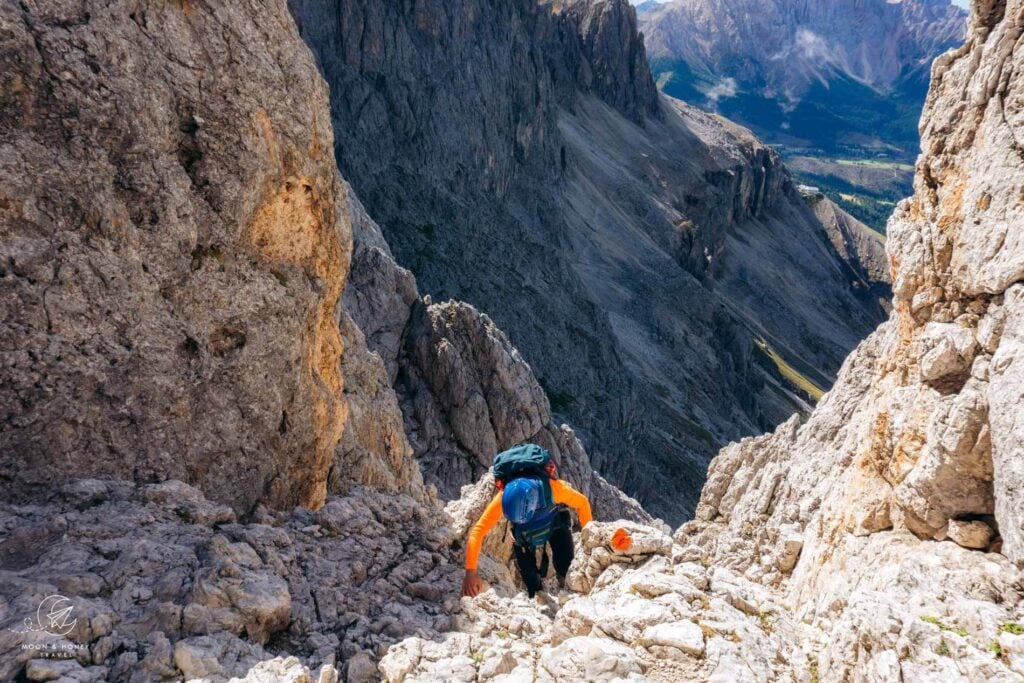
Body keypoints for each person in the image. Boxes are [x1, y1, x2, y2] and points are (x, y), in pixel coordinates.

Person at [461, 449, 592, 598]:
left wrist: (590, 540)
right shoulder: (503, 497)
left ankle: (567, 585)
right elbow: (477, 531)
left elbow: (583, 503)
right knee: (530, 579)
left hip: (552, 524)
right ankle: (536, 595)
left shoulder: (554, 488)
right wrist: (470, 573)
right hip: (530, 531)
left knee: (566, 565)